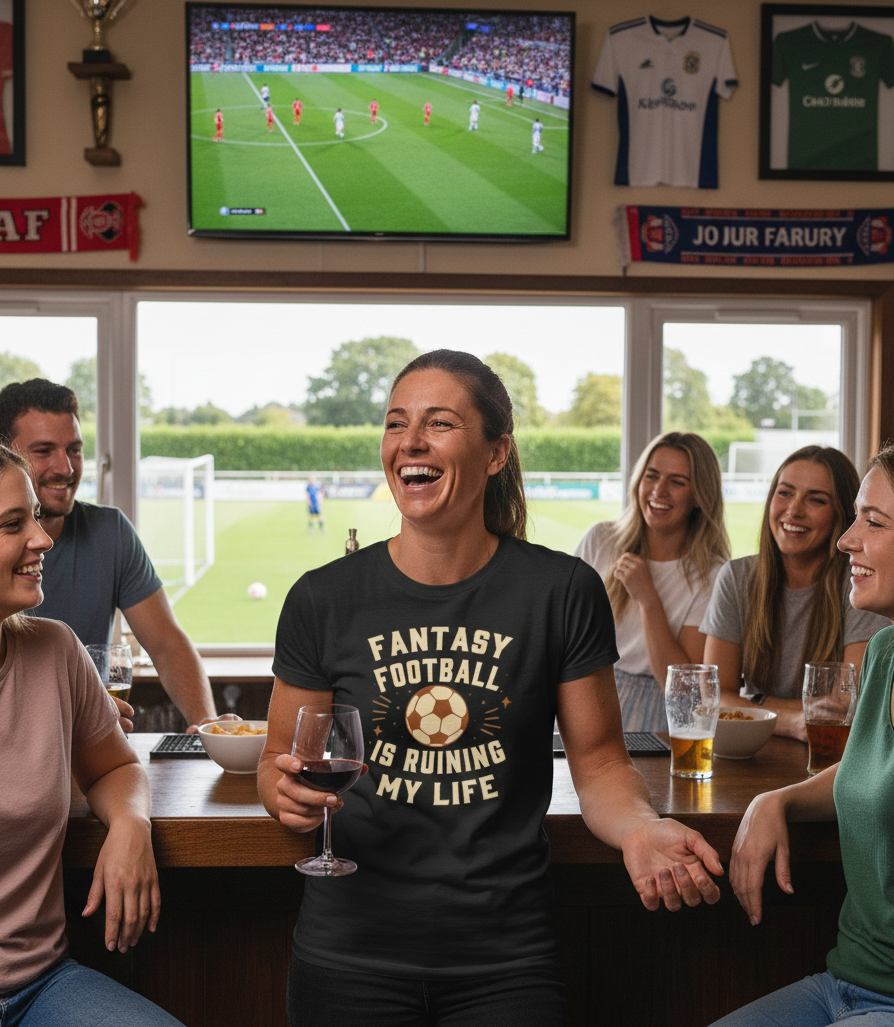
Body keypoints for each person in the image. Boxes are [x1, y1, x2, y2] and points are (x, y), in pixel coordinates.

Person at [259, 350, 723, 1027]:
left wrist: (641, 828)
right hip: (349, 953)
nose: (410, 442)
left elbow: (598, 765)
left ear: (497, 450)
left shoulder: (561, 591)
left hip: (507, 961)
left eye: (438, 422)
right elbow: (279, 761)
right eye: (396, 424)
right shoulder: (321, 599)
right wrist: (286, 793)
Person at [708, 445, 894, 1026]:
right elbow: (869, 766)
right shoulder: (887, 651)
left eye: (874, 521)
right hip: (847, 981)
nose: (847, 539)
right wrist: (778, 800)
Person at [0, 443, 184, 1027]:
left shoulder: (55, 651)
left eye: (34, 516)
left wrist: (131, 822)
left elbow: (114, 766)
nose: (43, 539)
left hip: (37, 986)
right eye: (12, 524)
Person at [0, 379, 227, 734]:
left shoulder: (110, 531)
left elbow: (166, 644)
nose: (66, 467)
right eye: (44, 450)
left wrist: (209, 725)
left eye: (74, 449)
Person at [702, 446, 887, 741]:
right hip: (751, 749)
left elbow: (844, 707)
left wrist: (756, 701)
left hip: (827, 754)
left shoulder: (860, 584)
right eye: (785, 493)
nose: (794, 510)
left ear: (841, 513)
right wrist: (792, 721)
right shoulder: (737, 577)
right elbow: (714, 698)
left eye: (816, 499)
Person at [575, 431, 730, 732]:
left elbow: (684, 690)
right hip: (589, 693)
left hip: (662, 708)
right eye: (652, 476)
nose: (659, 491)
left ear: (700, 495)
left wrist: (648, 599)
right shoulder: (600, 540)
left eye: (677, 482)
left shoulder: (712, 574)